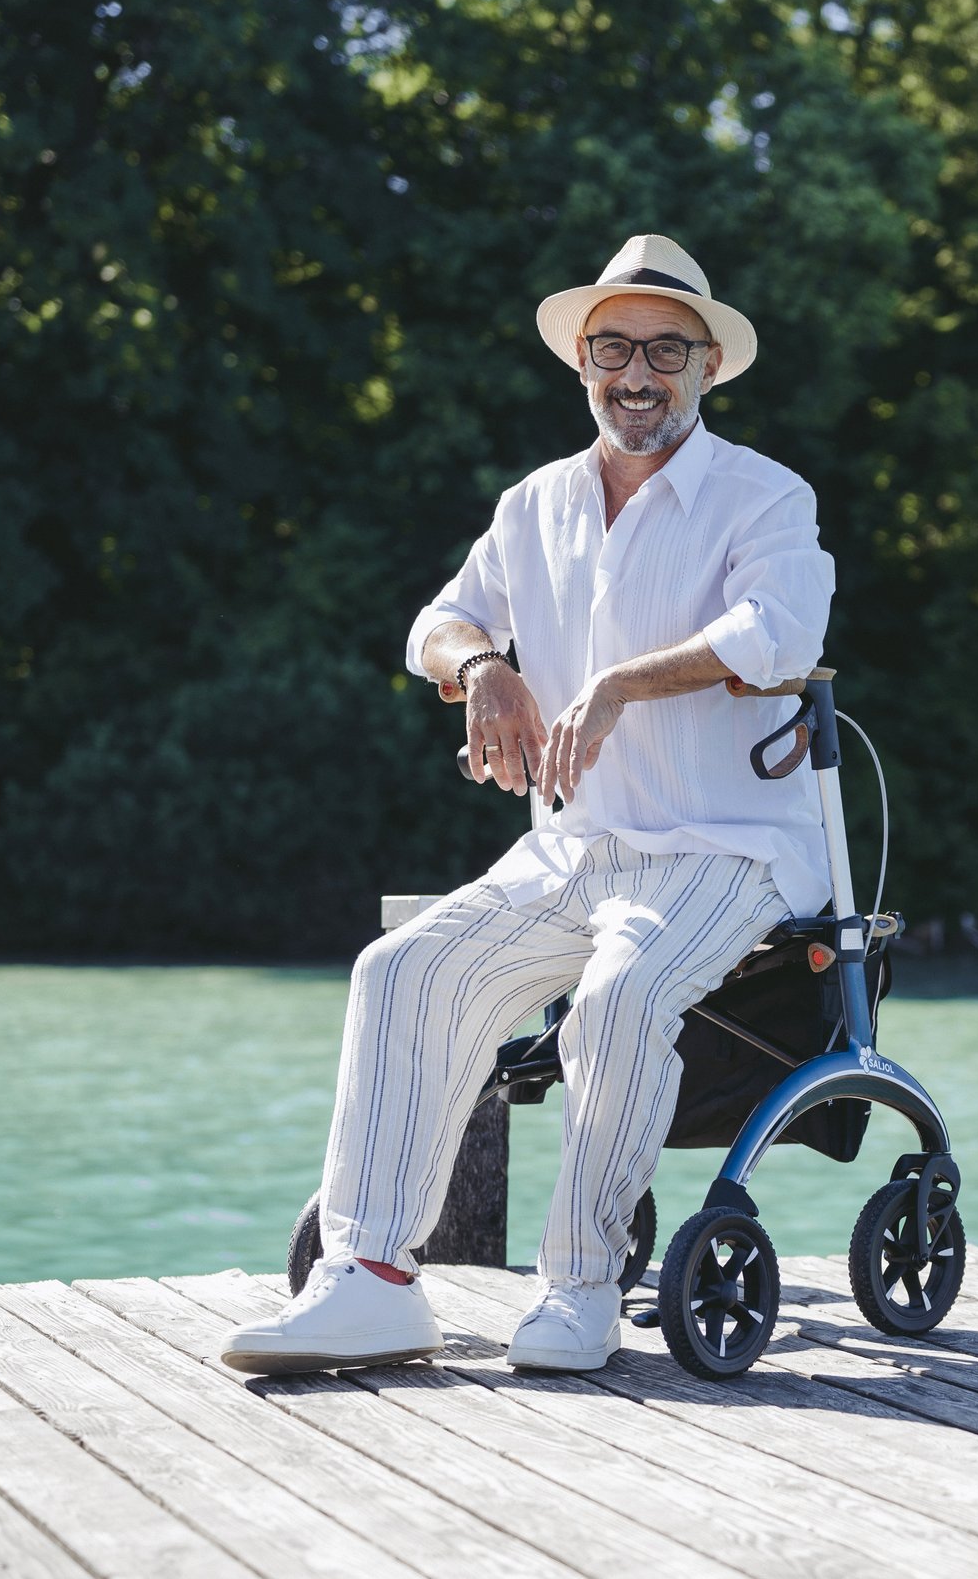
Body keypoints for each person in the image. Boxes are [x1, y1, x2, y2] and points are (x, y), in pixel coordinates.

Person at [218, 235, 834, 1374]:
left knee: (616, 998)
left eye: (665, 349)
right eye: (613, 346)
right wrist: (481, 670)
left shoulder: (766, 497)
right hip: (572, 849)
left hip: (728, 852)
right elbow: (434, 623)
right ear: (581, 362)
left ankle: (582, 1285)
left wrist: (615, 685)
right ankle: (372, 1281)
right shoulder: (534, 503)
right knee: (400, 969)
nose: (636, 372)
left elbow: (780, 636)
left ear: (708, 367)